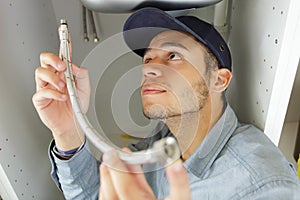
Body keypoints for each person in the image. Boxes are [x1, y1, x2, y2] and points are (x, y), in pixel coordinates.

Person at [32, 7, 300, 200]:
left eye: (173, 55)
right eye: (148, 59)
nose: (149, 69)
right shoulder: (159, 145)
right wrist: (67, 131)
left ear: (219, 80)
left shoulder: (263, 185)